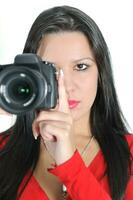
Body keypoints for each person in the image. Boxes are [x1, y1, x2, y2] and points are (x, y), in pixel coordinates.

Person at [0, 5, 133, 200]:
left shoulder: (129, 153)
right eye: (50, 68)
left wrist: (70, 164)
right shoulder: (3, 149)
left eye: (81, 66)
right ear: (28, 73)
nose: (66, 86)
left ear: (100, 73)